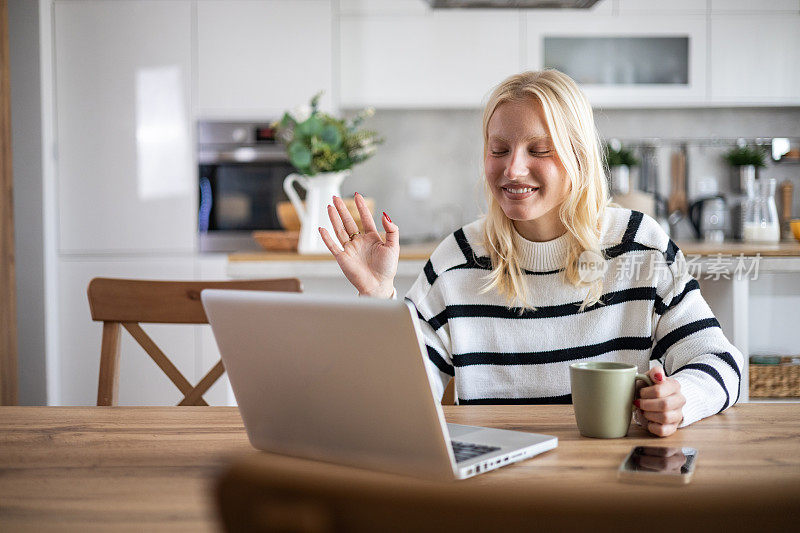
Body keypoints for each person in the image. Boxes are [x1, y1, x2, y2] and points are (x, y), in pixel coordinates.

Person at [318, 69, 743, 437]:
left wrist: (681, 398)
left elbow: (723, 363)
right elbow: (396, 404)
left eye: (539, 151)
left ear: (579, 157)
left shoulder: (639, 247)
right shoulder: (457, 262)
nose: (512, 169)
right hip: (491, 489)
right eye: (499, 150)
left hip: (605, 483)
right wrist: (377, 298)